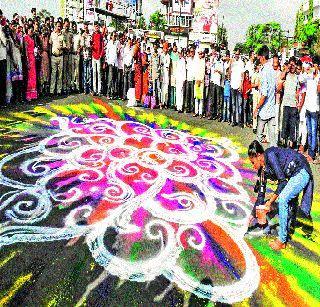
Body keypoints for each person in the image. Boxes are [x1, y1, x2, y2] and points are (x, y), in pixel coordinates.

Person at [248, 140, 314, 251]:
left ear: (259, 156)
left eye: (253, 162)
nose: (253, 166)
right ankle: (290, 226)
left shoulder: (270, 155)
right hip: (294, 174)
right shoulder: (262, 170)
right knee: (288, 199)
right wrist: (252, 214)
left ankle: (282, 241)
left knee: (283, 199)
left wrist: (270, 202)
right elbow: (261, 194)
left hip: (301, 170)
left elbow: (283, 182)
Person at [254, 45, 277, 147]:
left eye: (259, 57)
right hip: (272, 109)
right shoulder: (272, 70)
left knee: (259, 137)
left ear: (262, 57)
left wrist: (257, 107)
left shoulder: (265, 71)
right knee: (272, 139)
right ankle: (274, 160)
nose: (258, 59)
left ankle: (257, 158)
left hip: (264, 110)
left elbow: (264, 94)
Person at [280, 57, 300, 148]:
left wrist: (298, 103)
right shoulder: (286, 75)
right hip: (286, 103)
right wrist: (287, 68)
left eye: (293, 64)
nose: (292, 66)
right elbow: (281, 77)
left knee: (292, 125)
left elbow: (299, 90)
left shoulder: (297, 77)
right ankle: (284, 142)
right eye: (290, 64)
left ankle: (291, 144)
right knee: (285, 124)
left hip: (293, 104)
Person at [50, 21, 65, 96]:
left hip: (60, 56)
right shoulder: (52, 34)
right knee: (53, 74)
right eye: (58, 26)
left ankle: (59, 90)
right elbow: (50, 45)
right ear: (55, 26)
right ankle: (52, 91)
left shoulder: (62, 35)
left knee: (60, 74)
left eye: (60, 26)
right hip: (53, 56)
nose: (59, 28)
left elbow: (65, 46)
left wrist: (61, 47)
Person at [24, 25, 38, 101]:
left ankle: (33, 95)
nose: (32, 32)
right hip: (29, 57)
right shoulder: (26, 37)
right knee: (29, 77)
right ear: (27, 30)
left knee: (33, 76)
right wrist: (27, 60)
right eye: (30, 30)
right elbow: (25, 50)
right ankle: (28, 95)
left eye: (32, 31)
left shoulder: (32, 38)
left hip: (33, 57)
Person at [91, 22, 104, 96]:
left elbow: (102, 46)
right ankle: (94, 90)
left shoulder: (101, 35)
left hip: (98, 56)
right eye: (95, 26)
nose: (96, 28)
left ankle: (99, 90)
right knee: (94, 73)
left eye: (97, 26)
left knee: (99, 73)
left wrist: (101, 55)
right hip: (93, 56)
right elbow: (91, 44)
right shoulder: (92, 35)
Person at [80, 21, 92, 95]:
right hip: (84, 55)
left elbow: (91, 44)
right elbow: (82, 45)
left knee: (89, 72)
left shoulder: (90, 34)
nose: (86, 27)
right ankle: (85, 88)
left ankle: (90, 88)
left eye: (87, 25)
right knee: (85, 72)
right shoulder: (82, 35)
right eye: (85, 25)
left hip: (90, 55)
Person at [0, 10, 8, 105]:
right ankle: (2, 101)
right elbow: (4, 42)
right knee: (2, 81)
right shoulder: (0, 28)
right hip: (1, 57)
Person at [175, 48, 186, 113]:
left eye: (180, 53)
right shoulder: (178, 60)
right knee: (178, 92)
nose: (179, 54)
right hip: (178, 78)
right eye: (178, 53)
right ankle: (177, 106)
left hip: (181, 78)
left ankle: (180, 107)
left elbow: (184, 70)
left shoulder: (183, 61)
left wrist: (184, 79)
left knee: (181, 93)